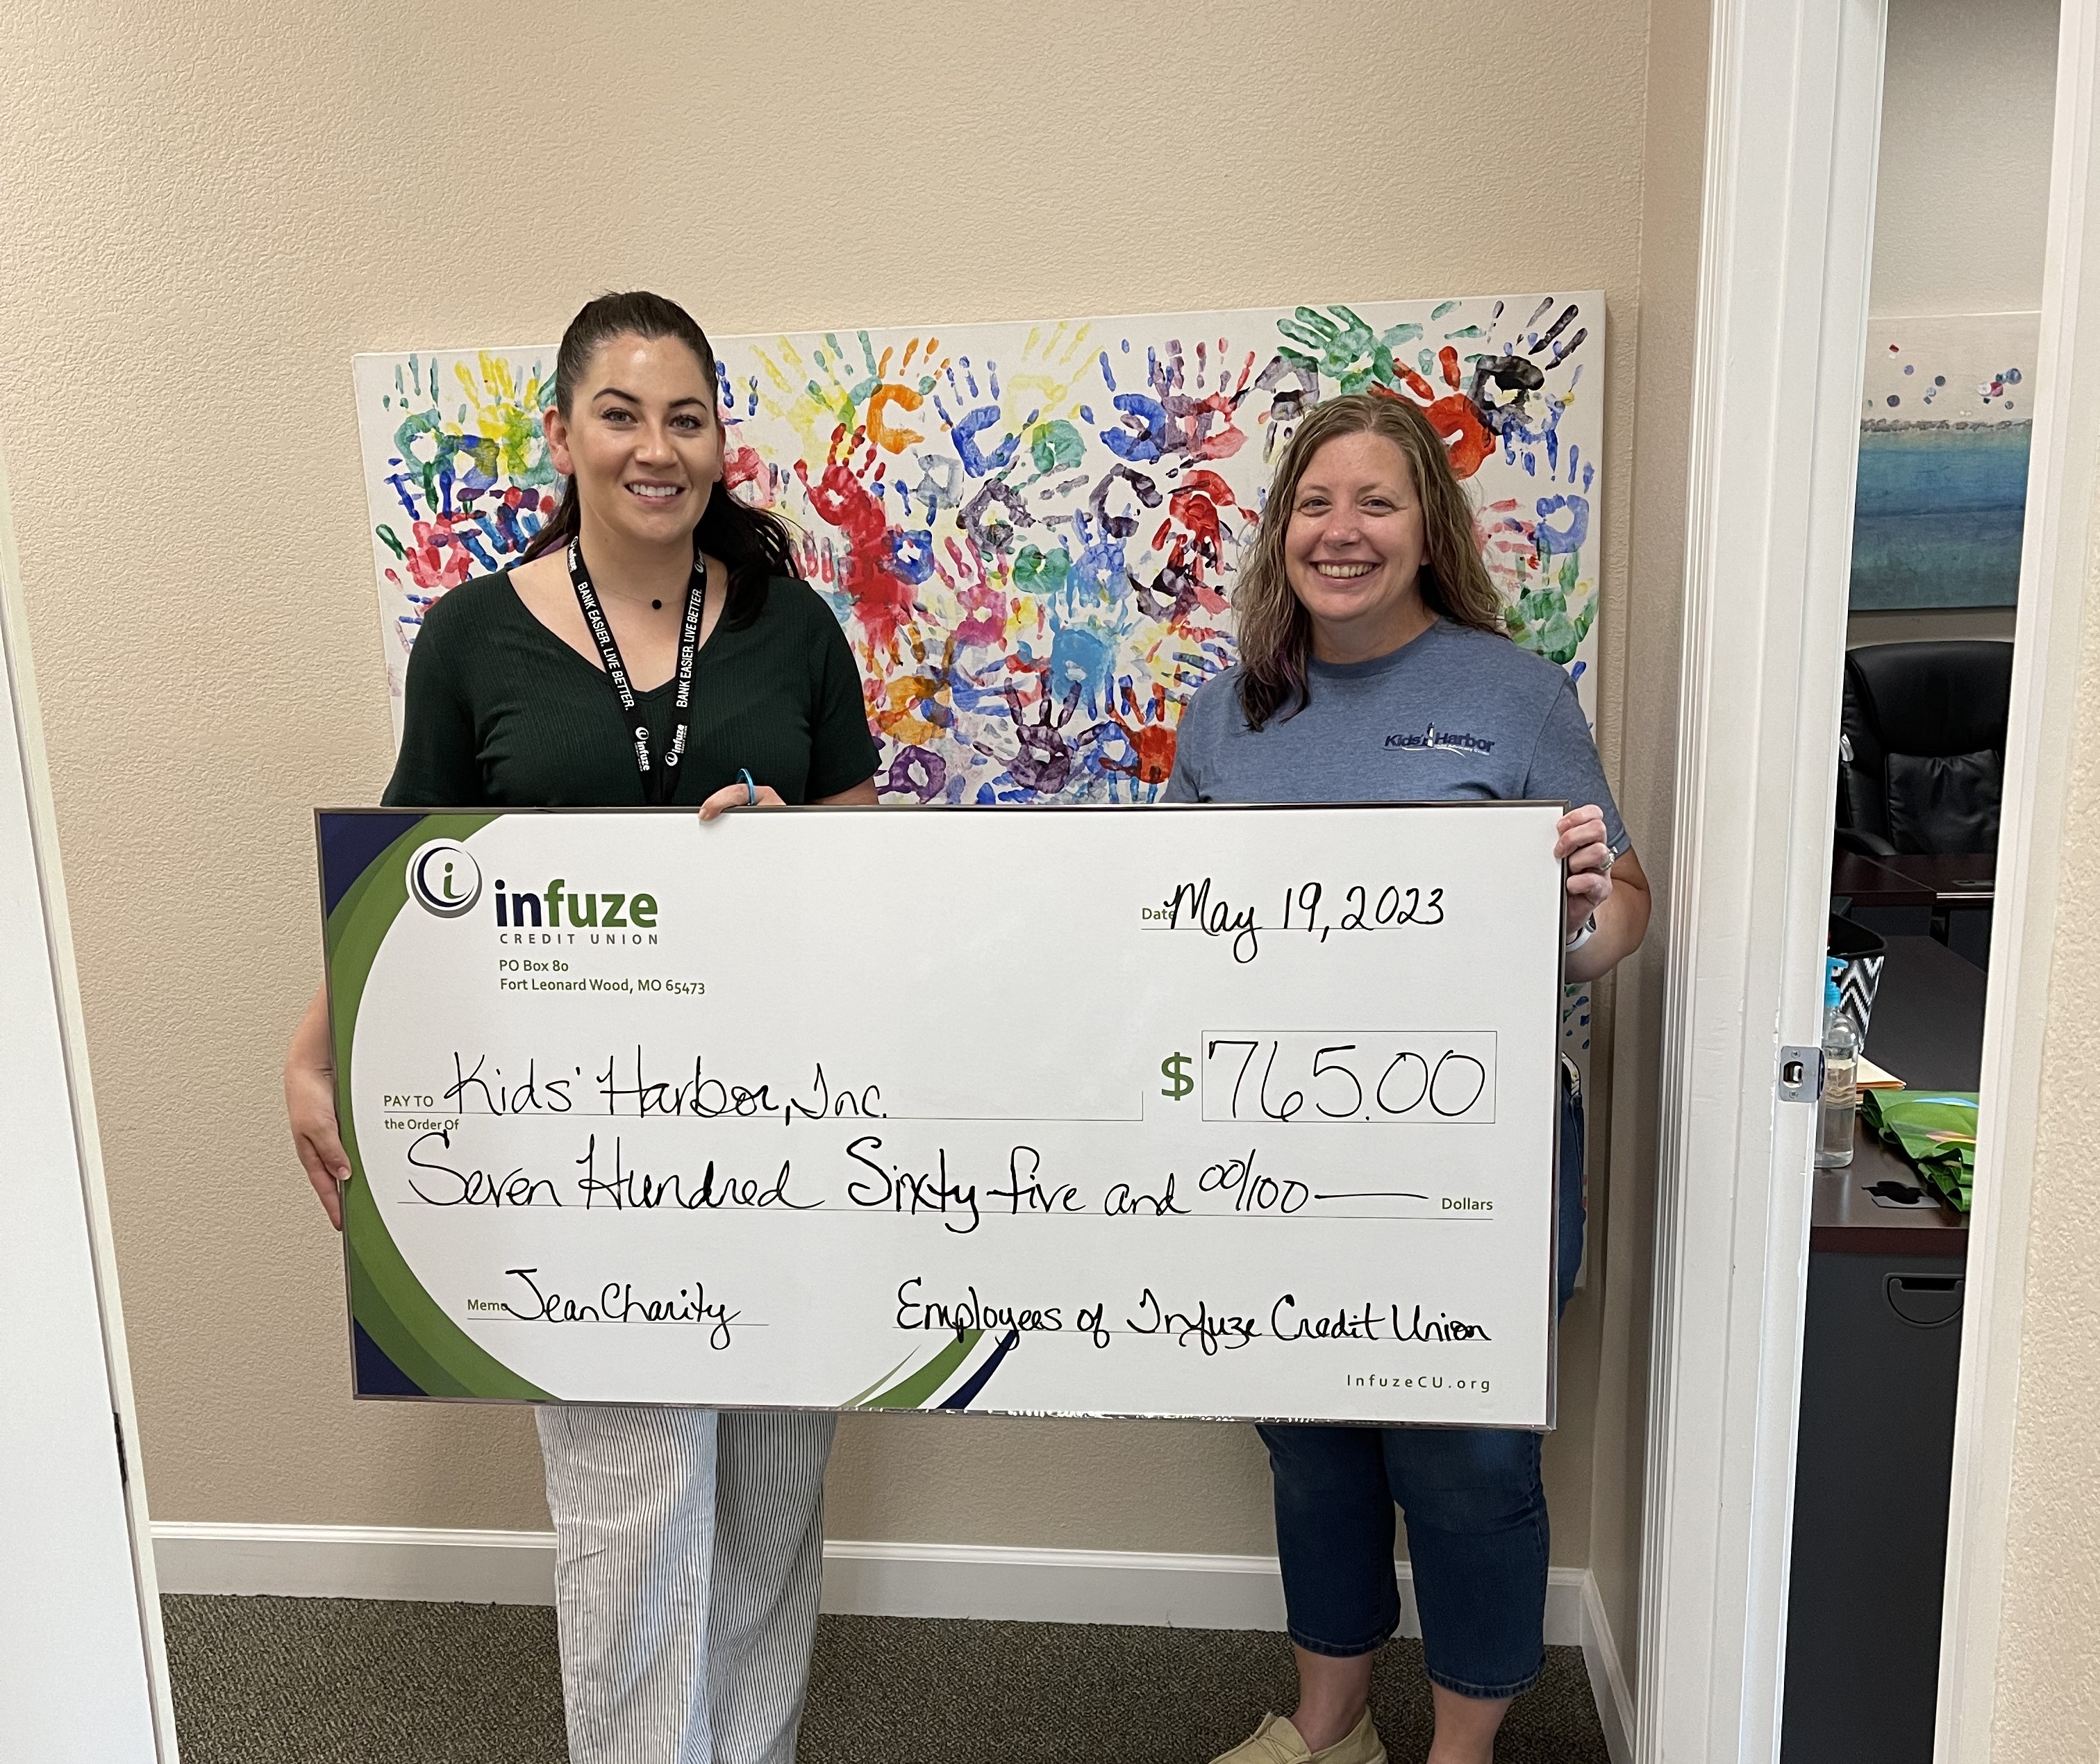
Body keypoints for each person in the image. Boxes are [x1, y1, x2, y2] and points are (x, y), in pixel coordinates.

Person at [283, 291, 881, 1764]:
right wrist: (314, 1049)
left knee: (767, 1496)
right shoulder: (474, 638)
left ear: (721, 442)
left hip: (781, 1128)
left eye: (687, 417)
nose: (656, 447)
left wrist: (789, 840)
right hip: (576, 1155)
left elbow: (874, 857)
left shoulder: (794, 629)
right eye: (621, 413)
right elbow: (411, 868)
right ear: (561, 433)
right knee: (629, 1509)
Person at [1167, 392, 1651, 1764]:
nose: (1344, 530)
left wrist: (1575, 910)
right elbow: (1162, 921)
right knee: (1312, 1439)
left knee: (1469, 1451)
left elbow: (1618, 906)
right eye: (1317, 502)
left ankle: (1460, 1748)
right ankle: (1328, 1730)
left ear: (1428, 527)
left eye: (1378, 502)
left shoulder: (1514, 691)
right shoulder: (1229, 712)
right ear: (1282, 531)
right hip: (1269, 1143)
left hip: (1473, 1149)